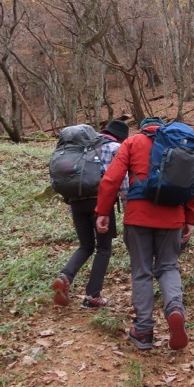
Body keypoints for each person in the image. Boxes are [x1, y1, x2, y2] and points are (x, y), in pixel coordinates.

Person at [94, 117, 194, 351]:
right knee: (168, 266)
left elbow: (111, 179)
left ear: (143, 127)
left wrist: (102, 211)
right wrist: (189, 218)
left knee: (141, 271)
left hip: (138, 217)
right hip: (173, 217)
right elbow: (193, 185)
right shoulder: (179, 145)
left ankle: (143, 331)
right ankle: (174, 308)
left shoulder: (132, 143)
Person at [51, 119, 129, 309]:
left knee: (85, 245)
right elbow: (123, 180)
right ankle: (93, 295)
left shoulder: (85, 146)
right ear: (122, 137)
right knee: (103, 248)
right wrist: (128, 208)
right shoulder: (115, 147)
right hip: (100, 203)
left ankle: (65, 276)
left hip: (76, 201)